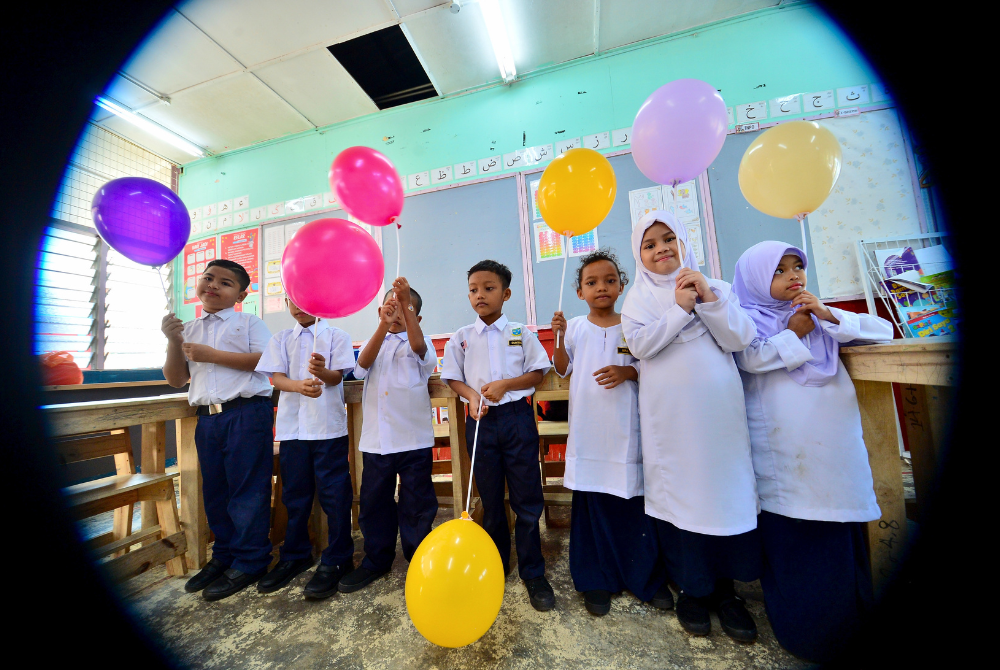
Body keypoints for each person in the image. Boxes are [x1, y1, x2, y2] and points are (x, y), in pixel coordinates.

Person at [732, 241, 893, 662]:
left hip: (834, 453)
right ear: (754, 279)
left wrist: (826, 315)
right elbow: (751, 360)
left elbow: (884, 331)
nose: (792, 276)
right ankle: (807, 636)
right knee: (799, 541)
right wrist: (793, 333)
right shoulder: (746, 319)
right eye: (779, 270)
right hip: (786, 455)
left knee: (840, 536)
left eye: (797, 266)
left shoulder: (819, 315)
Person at [621, 211, 760, 641]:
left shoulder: (716, 287)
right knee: (683, 498)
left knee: (722, 495)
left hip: (719, 417)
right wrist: (680, 311)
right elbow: (641, 345)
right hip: (671, 420)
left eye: (669, 239)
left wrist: (708, 301)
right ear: (639, 255)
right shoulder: (638, 300)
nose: (662, 248)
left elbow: (740, 339)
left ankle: (727, 593)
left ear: (684, 242)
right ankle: (692, 591)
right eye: (650, 244)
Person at [551, 249, 671, 617]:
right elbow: (562, 369)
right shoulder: (574, 326)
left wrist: (627, 372)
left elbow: (648, 364)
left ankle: (644, 579)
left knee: (632, 502)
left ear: (622, 285)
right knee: (592, 506)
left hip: (628, 431)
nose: (601, 287)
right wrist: (557, 337)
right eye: (591, 282)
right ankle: (595, 580)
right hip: (589, 432)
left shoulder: (633, 323)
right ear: (580, 292)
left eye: (609, 280)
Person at [440, 260, 555, 611]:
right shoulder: (461, 338)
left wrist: (507, 384)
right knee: (490, 501)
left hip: (517, 419)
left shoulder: (520, 332)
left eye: (488, 288)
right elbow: (452, 378)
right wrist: (471, 396)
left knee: (526, 499)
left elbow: (537, 372)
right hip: (481, 423)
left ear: (505, 294)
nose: (480, 295)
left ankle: (533, 572)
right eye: (474, 289)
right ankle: (496, 566)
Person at [161, 259, 274, 601]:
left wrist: (212, 355)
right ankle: (224, 555)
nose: (213, 285)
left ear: (242, 294)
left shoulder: (249, 322)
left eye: (225, 283)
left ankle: (252, 559)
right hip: (207, 418)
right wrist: (172, 340)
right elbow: (176, 379)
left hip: (246, 413)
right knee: (216, 491)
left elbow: (267, 361)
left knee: (247, 491)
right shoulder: (189, 329)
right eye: (208, 278)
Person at [338, 278, 438, 594]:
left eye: (406, 309)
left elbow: (421, 349)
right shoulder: (373, 345)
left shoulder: (420, 343)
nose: (396, 315)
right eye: (390, 308)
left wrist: (406, 304)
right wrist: (383, 326)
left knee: (417, 504)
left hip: (414, 441)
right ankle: (376, 561)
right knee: (374, 501)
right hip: (377, 442)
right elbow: (360, 368)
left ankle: (420, 559)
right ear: (381, 311)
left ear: (416, 318)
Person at [253, 298, 357, 599]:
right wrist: (298, 386)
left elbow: (337, 377)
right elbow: (277, 378)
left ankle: (338, 558)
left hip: (327, 429)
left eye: (304, 299)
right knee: (295, 496)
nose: (297, 306)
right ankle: (296, 554)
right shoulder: (282, 338)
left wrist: (322, 372)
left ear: (320, 298)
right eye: (291, 300)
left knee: (335, 496)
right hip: (293, 430)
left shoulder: (336, 336)